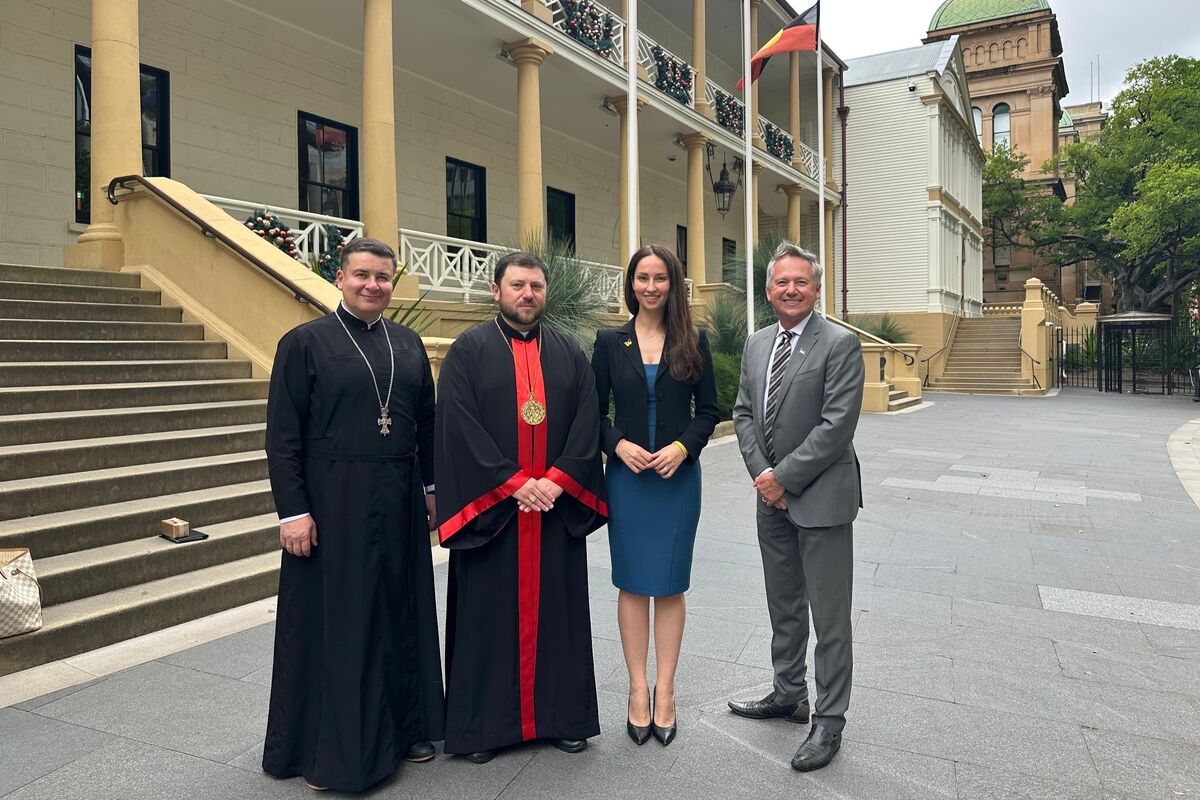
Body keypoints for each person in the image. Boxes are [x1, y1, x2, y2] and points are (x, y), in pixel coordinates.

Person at [262, 237, 445, 792]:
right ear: (339, 278)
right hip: (332, 500)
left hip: (399, 496)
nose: (373, 285)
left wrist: (433, 488)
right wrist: (292, 511)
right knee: (340, 622)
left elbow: (427, 425)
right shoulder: (305, 343)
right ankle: (332, 748)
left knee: (399, 611)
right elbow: (282, 437)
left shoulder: (409, 344)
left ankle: (406, 727)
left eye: (383, 277)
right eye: (362, 275)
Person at [435, 251, 607, 763]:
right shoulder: (468, 350)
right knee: (487, 620)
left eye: (535, 285)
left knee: (559, 617)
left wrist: (556, 481)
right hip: (495, 516)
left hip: (552, 510)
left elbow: (587, 418)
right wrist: (511, 483)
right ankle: (484, 728)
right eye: (517, 285)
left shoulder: (569, 352)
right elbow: (458, 425)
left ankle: (563, 718)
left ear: (545, 292)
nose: (527, 294)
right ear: (496, 290)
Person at [728, 241, 863, 772]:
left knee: (830, 619)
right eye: (781, 282)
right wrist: (763, 476)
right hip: (772, 500)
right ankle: (789, 693)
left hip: (823, 501)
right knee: (783, 605)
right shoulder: (757, 344)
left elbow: (836, 427)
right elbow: (743, 412)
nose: (790, 289)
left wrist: (781, 478)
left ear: (816, 287)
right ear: (768, 290)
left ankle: (828, 721)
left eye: (800, 282)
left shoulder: (840, 344)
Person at [591, 245, 718, 747]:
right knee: (632, 584)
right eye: (642, 277)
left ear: (673, 284)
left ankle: (666, 690)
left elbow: (709, 410)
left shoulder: (693, 340)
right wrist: (617, 445)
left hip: (676, 481)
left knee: (668, 584)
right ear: (631, 284)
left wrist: (683, 448)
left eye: (659, 278)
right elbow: (591, 413)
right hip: (627, 481)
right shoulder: (608, 341)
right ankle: (636, 690)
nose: (650, 286)